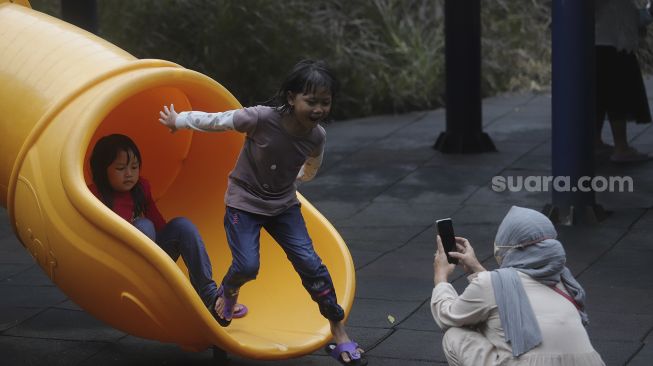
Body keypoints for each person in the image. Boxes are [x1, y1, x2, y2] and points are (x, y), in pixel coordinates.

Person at [158, 59, 366, 365]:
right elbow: (219, 121)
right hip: (244, 203)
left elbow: (312, 164)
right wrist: (180, 120)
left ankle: (339, 332)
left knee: (311, 264)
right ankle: (227, 293)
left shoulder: (316, 136)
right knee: (247, 266)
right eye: (311, 101)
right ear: (292, 97)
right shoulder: (259, 118)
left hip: (283, 206)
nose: (319, 109)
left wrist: (299, 179)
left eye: (325, 102)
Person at [88, 134, 247, 324]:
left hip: (153, 263)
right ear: (101, 171)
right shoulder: (94, 195)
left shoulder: (141, 188)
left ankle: (210, 297)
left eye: (134, 167)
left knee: (181, 225)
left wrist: (168, 242)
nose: (129, 173)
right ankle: (148, 285)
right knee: (143, 225)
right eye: (121, 168)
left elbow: (158, 224)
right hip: (121, 264)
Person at [431, 206, 605, 365]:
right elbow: (506, 290)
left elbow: (448, 316)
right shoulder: (565, 282)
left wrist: (441, 276)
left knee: (454, 335)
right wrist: (476, 268)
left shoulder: (491, 283)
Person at [595, 0, 653, 162]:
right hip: (610, 45)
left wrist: (648, 13)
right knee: (616, 97)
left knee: (600, 97)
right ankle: (621, 147)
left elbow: (629, 16)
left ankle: (596, 141)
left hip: (610, 43)